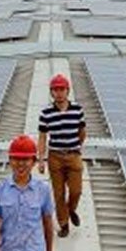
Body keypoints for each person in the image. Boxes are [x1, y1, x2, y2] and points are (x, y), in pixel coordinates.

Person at [37, 71, 87, 236]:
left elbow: (82, 132)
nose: (59, 93)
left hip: (73, 155)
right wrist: (41, 160)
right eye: (55, 89)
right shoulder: (46, 114)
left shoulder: (77, 110)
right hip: (55, 157)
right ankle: (64, 223)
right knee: (58, 193)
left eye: (62, 89)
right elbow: (43, 137)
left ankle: (71, 209)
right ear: (52, 92)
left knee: (76, 191)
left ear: (67, 90)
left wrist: (76, 147)